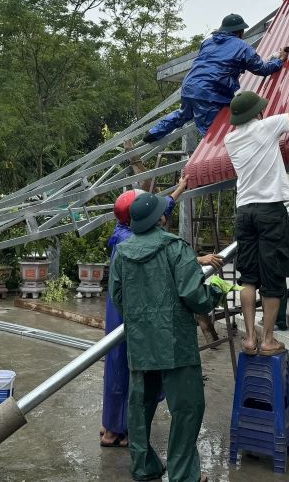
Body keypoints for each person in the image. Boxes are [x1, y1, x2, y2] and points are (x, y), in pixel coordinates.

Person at [110, 193, 232, 482]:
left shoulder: (122, 253)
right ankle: (183, 474)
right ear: (161, 219)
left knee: (140, 406)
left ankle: (143, 466)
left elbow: (118, 297)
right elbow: (195, 297)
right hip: (176, 344)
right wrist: (216, 288)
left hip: (141, 343)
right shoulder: (176, 248)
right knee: (187, 408)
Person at [225, 90, 289, 356]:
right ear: (257, 112)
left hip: (244, 212)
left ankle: (251, 338)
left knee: (248, 278)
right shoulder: (266, 127)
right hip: (270, 213)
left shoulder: (232, 139)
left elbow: (263, 141)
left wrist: (284, 128)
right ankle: (268, 340)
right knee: (273, 278)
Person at [143, 13, 286, 144]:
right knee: (213, 134)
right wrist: (279, 61)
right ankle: (219, 160)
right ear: (240, 31)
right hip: (211, 92)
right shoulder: (242, 47)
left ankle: (153, 133)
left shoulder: (207, 42)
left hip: (189, 86)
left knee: (184, 113)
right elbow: (262, 69)